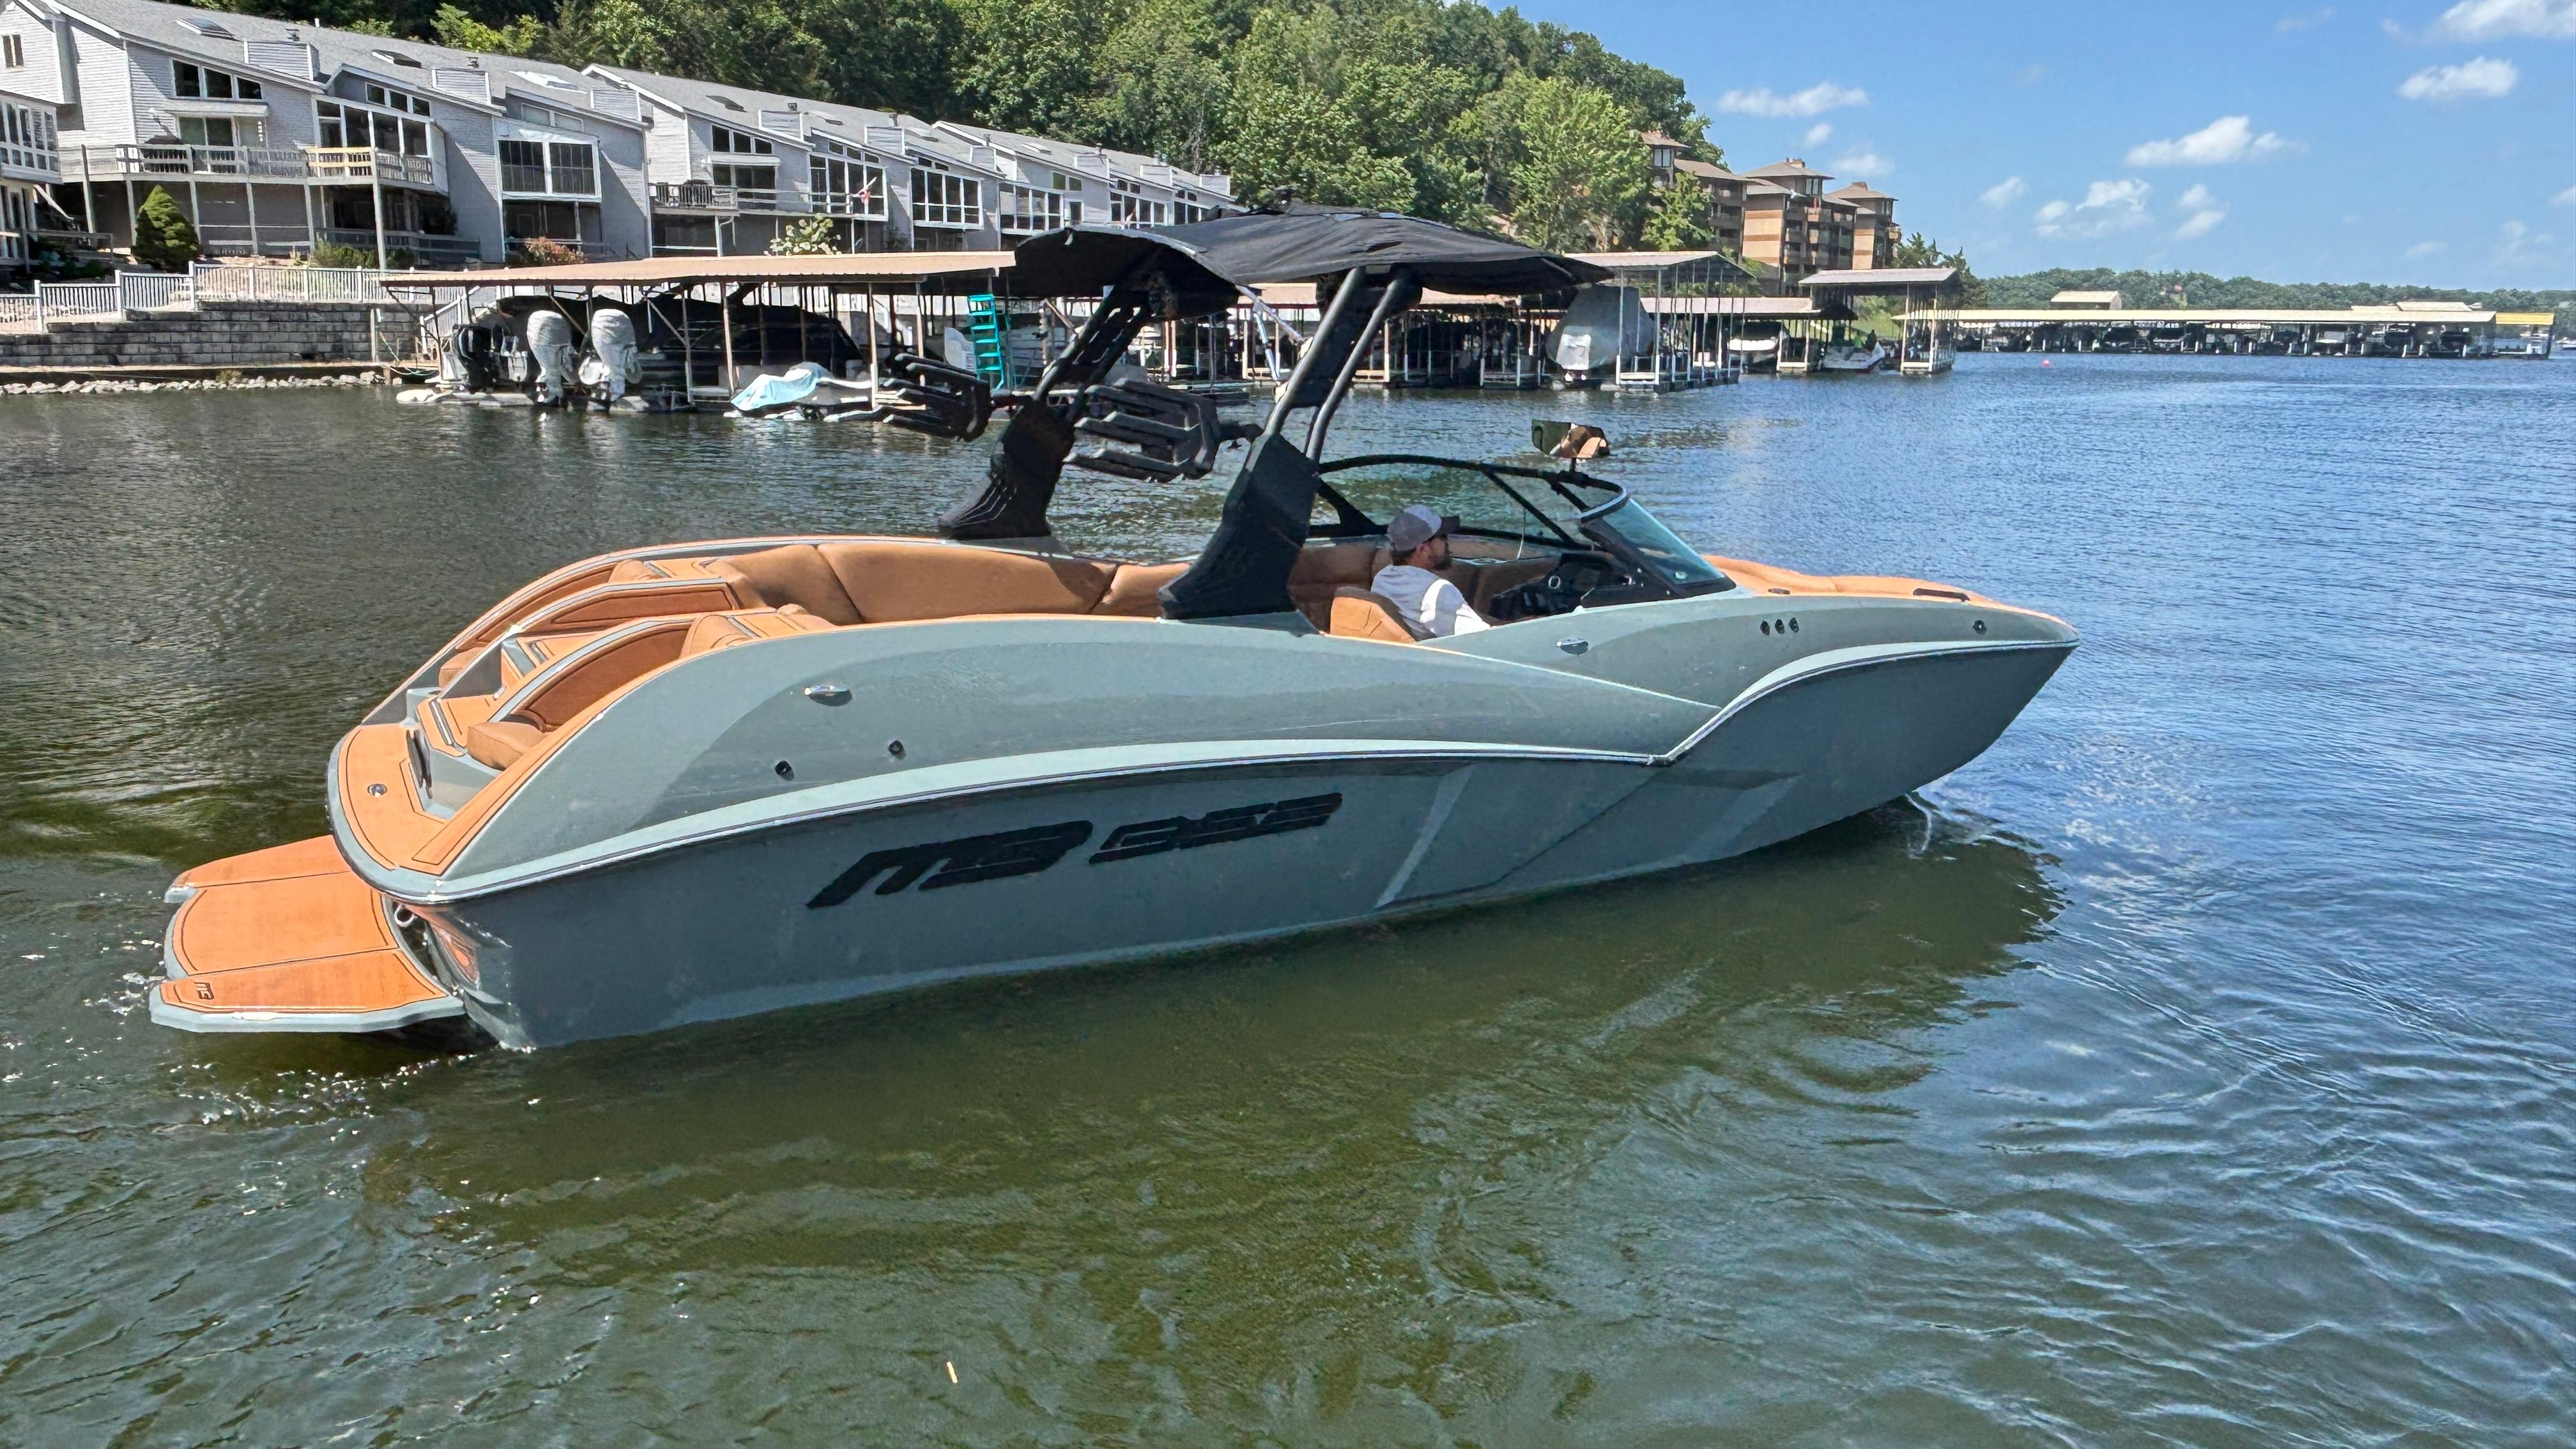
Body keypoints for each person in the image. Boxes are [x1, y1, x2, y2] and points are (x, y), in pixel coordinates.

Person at [1371, 503, 1490, 637]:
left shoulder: (1381, 579)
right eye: (1443, 537)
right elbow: (1482, 639)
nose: (1447, 542)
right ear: (1423, 549)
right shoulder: (1437, 591)